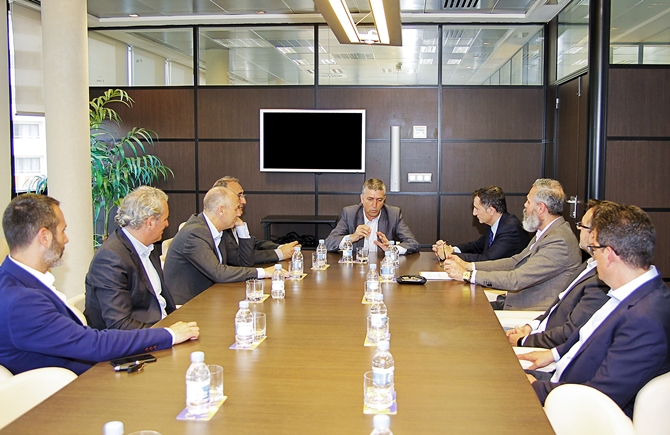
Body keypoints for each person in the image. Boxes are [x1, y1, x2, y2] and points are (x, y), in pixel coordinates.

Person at [0, 194, 199, 375]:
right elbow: (92, 345)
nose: (66, 239)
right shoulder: (22, 301)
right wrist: (168, 334)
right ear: (44, 237)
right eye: (63, 231)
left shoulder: (15, 280)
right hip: (70, 388)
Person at [519, 203, 670, 418]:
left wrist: (535, 388)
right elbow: (588, 339)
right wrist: (554, 355)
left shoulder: (646, 319)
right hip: (560, 381)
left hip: (574, 408)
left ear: (609, 254)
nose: (593, 256)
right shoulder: (630, 293)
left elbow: (602, 394)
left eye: (595, 249)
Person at [442, 178, 581, 310]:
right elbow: (515, 261)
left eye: (528, 201)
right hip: (514, 301)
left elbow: (516, 279)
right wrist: (468, 266)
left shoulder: (558, 241)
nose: (525, 205)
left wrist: (467, 275)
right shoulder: (546, 232)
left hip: (531, 312)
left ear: (541, 208)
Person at [506, 200, 610, 348]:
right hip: (540, 331)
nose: (578, 229)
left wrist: (524, 341)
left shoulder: (601, 281)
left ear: (594, 234)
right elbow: (557, 306)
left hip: (549, 346)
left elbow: (570, 334)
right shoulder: (588, 264)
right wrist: (531, 326)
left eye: (582, 226)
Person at [164, 186, 285, 305]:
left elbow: (244, 262)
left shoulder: (219, 231)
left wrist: (241, 228)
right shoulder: (195, 233)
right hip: (187, 306)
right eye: (236, 209)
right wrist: (263, 272)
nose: (239, 213)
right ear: (221, 210)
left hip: (211, 297)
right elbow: (218, 273)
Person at [84, 186, 176, 330]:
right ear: (150, 222)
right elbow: (119, 324)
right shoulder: (110, 259)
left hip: (161, 327)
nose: (167, 224)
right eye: (165, 219)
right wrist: (169, 333)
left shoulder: (148, 247)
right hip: (139, 338)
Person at [212, 176, 299, 265]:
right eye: (239, 196)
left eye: (243, 195)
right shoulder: (219, 226)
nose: (244, 201)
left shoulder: (232, 222)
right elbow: (238, 257)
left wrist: (282, 247)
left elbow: (253, 243)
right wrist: (280, 253)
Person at [433, 186, 529, 262]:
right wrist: (452, 249)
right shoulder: (494, 224)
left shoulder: (511, 229)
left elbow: (487, 260)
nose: (474, 213)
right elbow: (477, 247)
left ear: (491, 210)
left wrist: (449, 255)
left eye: (477, 209)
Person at [324, 178, 419, 255]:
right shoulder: (350, 214)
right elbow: (328, 243)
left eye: (379, 200)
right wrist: (352, 237)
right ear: (362, 198)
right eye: (370, 199)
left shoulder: (393, 215)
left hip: (382, 267)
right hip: (356, 267)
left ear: (384, 200)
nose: (374, 205)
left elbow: (413, 243)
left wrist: (392, 249)